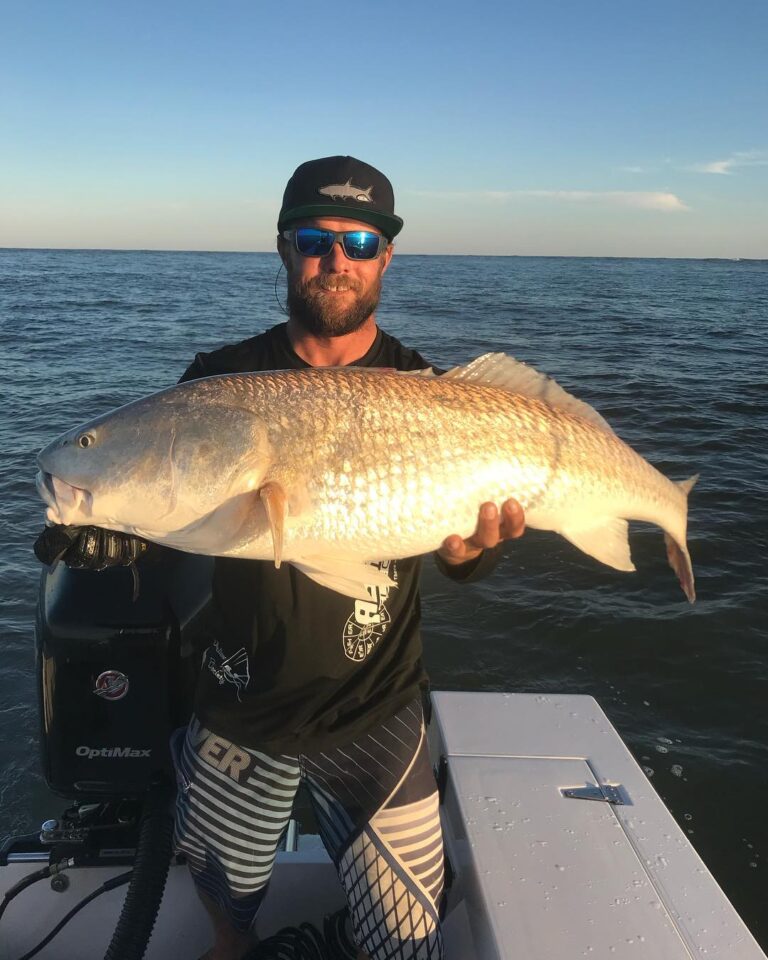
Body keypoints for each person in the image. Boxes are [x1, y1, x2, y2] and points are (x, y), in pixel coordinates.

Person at [35, 156, 525, 960]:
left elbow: (457, 552)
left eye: (360, 240)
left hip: (377, 706)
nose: (337, 259)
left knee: (406, 945)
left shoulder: (424, 388)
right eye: (315, 239)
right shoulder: (217, 382)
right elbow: (168, 499)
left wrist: (475, 553)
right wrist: (114, 536)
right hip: (239, 705)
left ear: (386, 256)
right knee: (227, 919)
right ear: (283, 248)